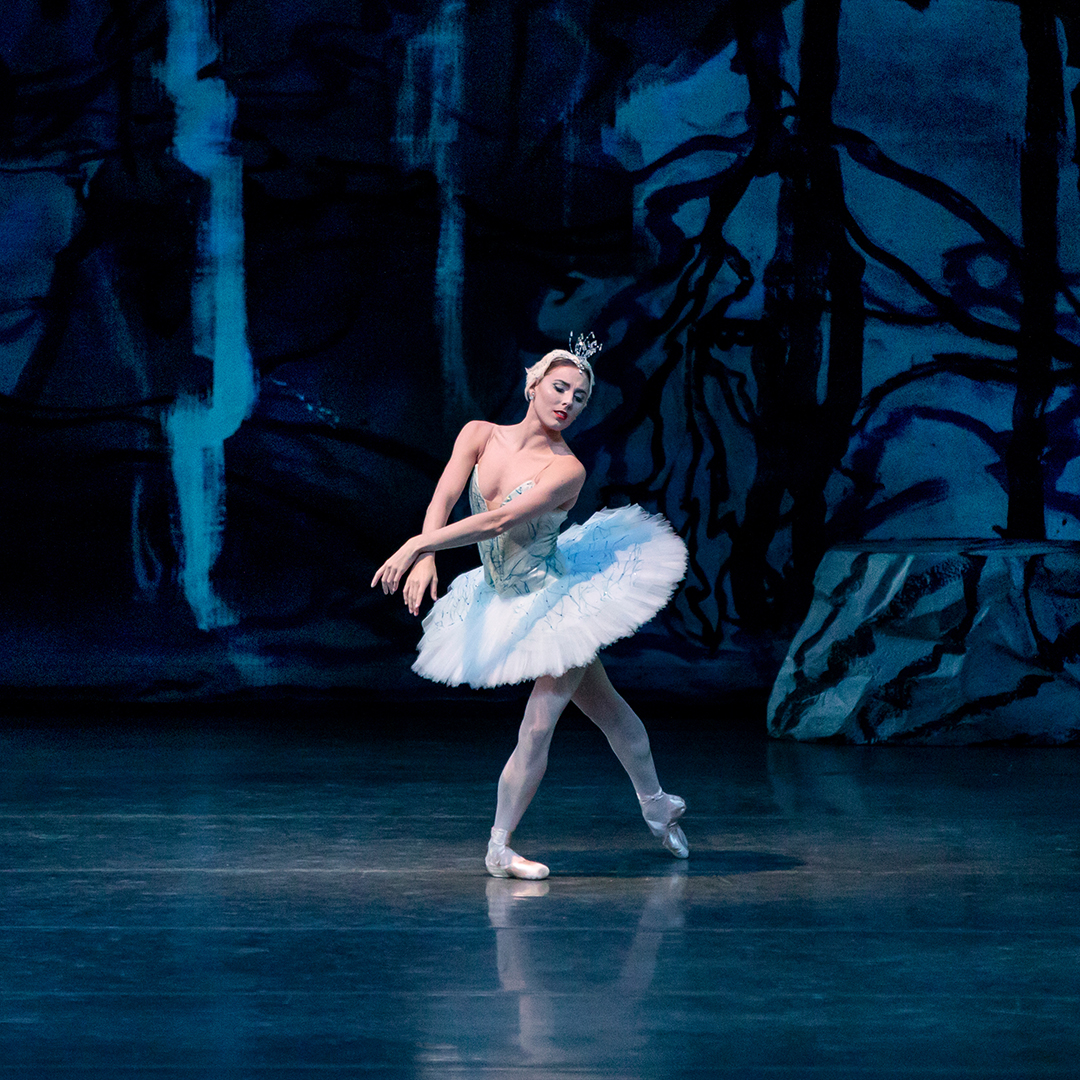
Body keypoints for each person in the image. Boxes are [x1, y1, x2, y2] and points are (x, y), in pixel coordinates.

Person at [371, 336, 689, 880]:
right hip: (503, 596)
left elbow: (498, 521)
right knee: (608, 710)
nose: (568, 401)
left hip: (554, 602)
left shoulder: (566, 470)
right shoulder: (479, 434)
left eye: (581, 397)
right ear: (533, 384)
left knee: (539, 725)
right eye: (559, 387)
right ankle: (656, 802)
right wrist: (427, 549)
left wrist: (416, 547)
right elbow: (443, 498)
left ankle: (499, 846)